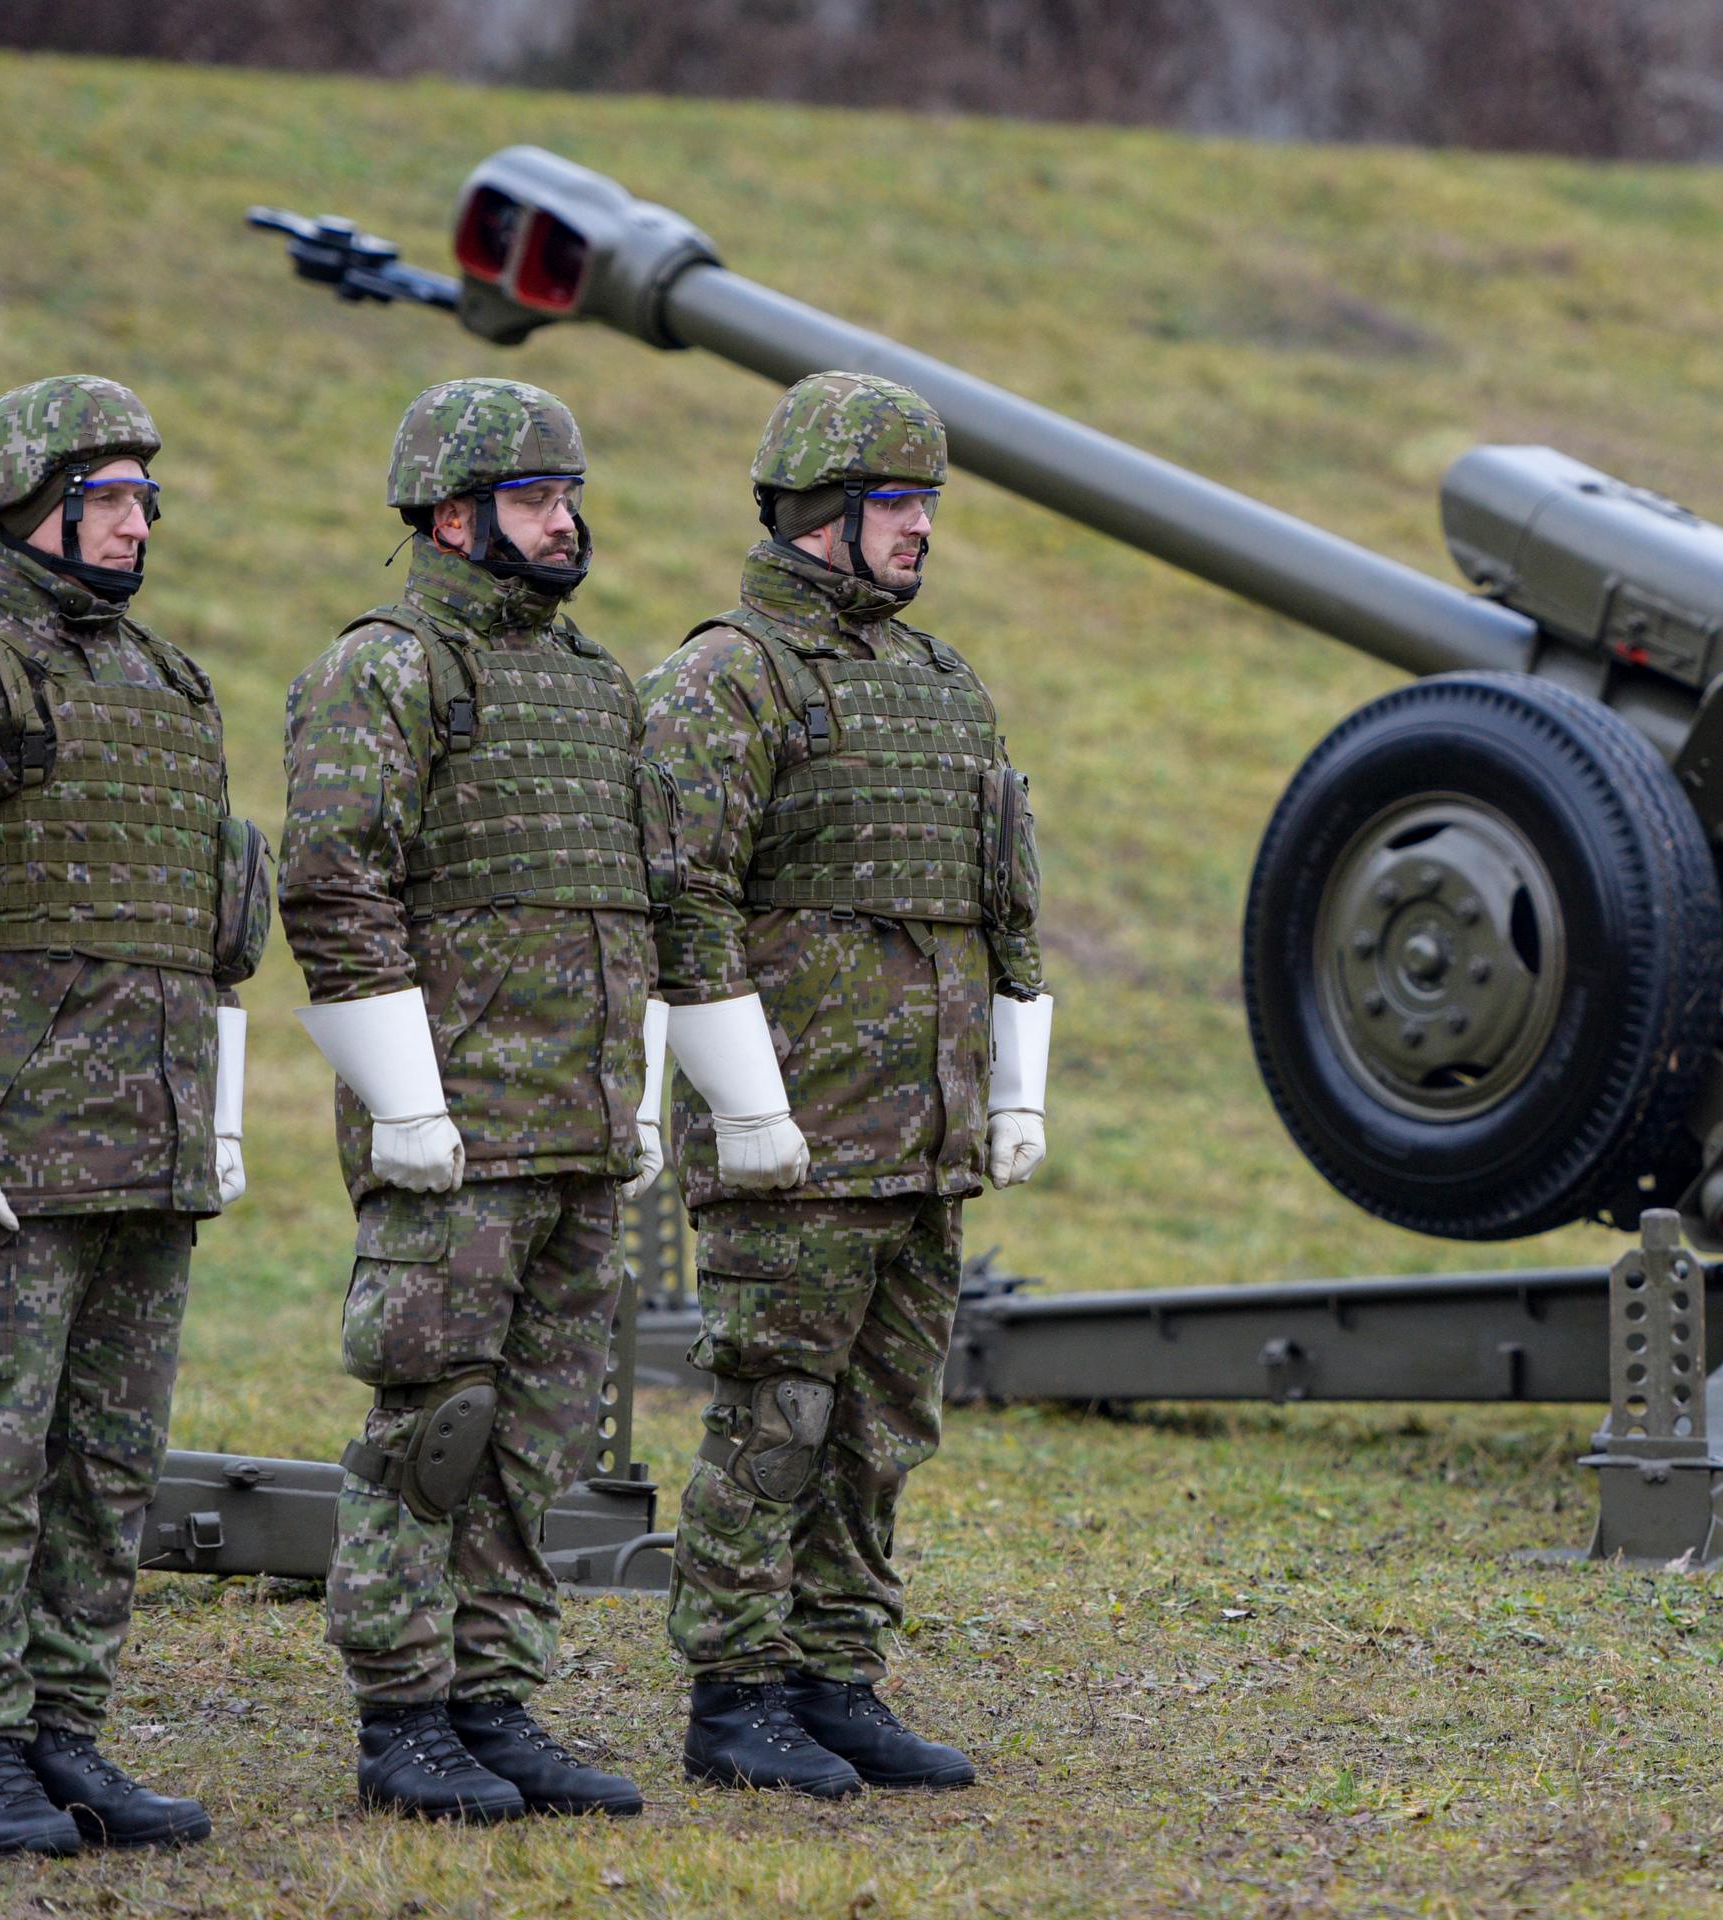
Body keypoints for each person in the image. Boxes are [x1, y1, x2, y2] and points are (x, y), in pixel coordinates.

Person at [0, 374, 270, 1855]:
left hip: (146, 1142)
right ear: (30, 503)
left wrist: (214, 1116)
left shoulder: (170, 686)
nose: (141, 522)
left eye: (149, 494)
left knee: (107, 1464)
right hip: (10, 1151)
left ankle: (66, 1731)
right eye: (112, 494)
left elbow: (214, 928)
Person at [639, 371, 1053, 1798]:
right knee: (777, 1411)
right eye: (897, 504)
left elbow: (1003, 903)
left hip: (923, 1133)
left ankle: (837, 1673)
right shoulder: (725, 678)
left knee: (884, 1423)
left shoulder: (941, 686)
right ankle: (734, 1691)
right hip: (799, 1138)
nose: (922, 530)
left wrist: (1012, 1086)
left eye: (927, 503)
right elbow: (681, 904)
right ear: (821, 513)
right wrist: (745, 1109)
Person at [279, 378, 658, 1823]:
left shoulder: (591, 679)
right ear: (453, 515)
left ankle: (495, 1701)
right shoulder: (384, 668)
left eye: (569, 498)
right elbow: (333, 882)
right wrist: (406, 1101)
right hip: (456, 1130)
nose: (567, 524)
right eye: (535, 500)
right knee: (429, 1428)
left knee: (536, 1436)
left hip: (576, 1125)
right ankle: (403, 1717)